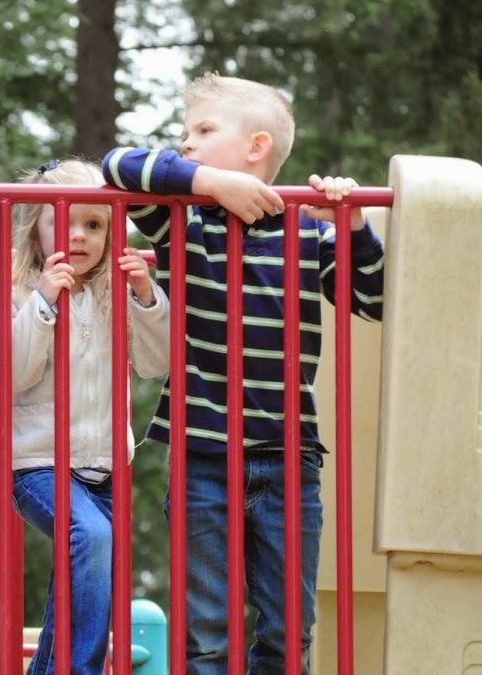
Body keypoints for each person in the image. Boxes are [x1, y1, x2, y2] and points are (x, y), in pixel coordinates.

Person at [102, 73, 385, 673]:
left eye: (204, 131)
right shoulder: (183, 221)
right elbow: (117, 166)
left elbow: (373, 299)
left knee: (288, 632)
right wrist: (209, 181)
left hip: (289, 461)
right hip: (203, 458)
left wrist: (355, 224)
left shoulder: (309, 229)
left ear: (258, 146)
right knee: (205, 631)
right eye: (185, 134)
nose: (186, 143)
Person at [0, 159, 170, 674]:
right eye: (64, 221)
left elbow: (157, 361)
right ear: (36, 231)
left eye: (94, 224)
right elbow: (6, 373)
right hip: (39, 463)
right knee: (92, 539)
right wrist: (44, 302)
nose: (80, 235)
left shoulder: (116, 295)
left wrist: (146, 297)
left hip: (105, 468)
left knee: (93, 563)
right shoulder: (19, 290)